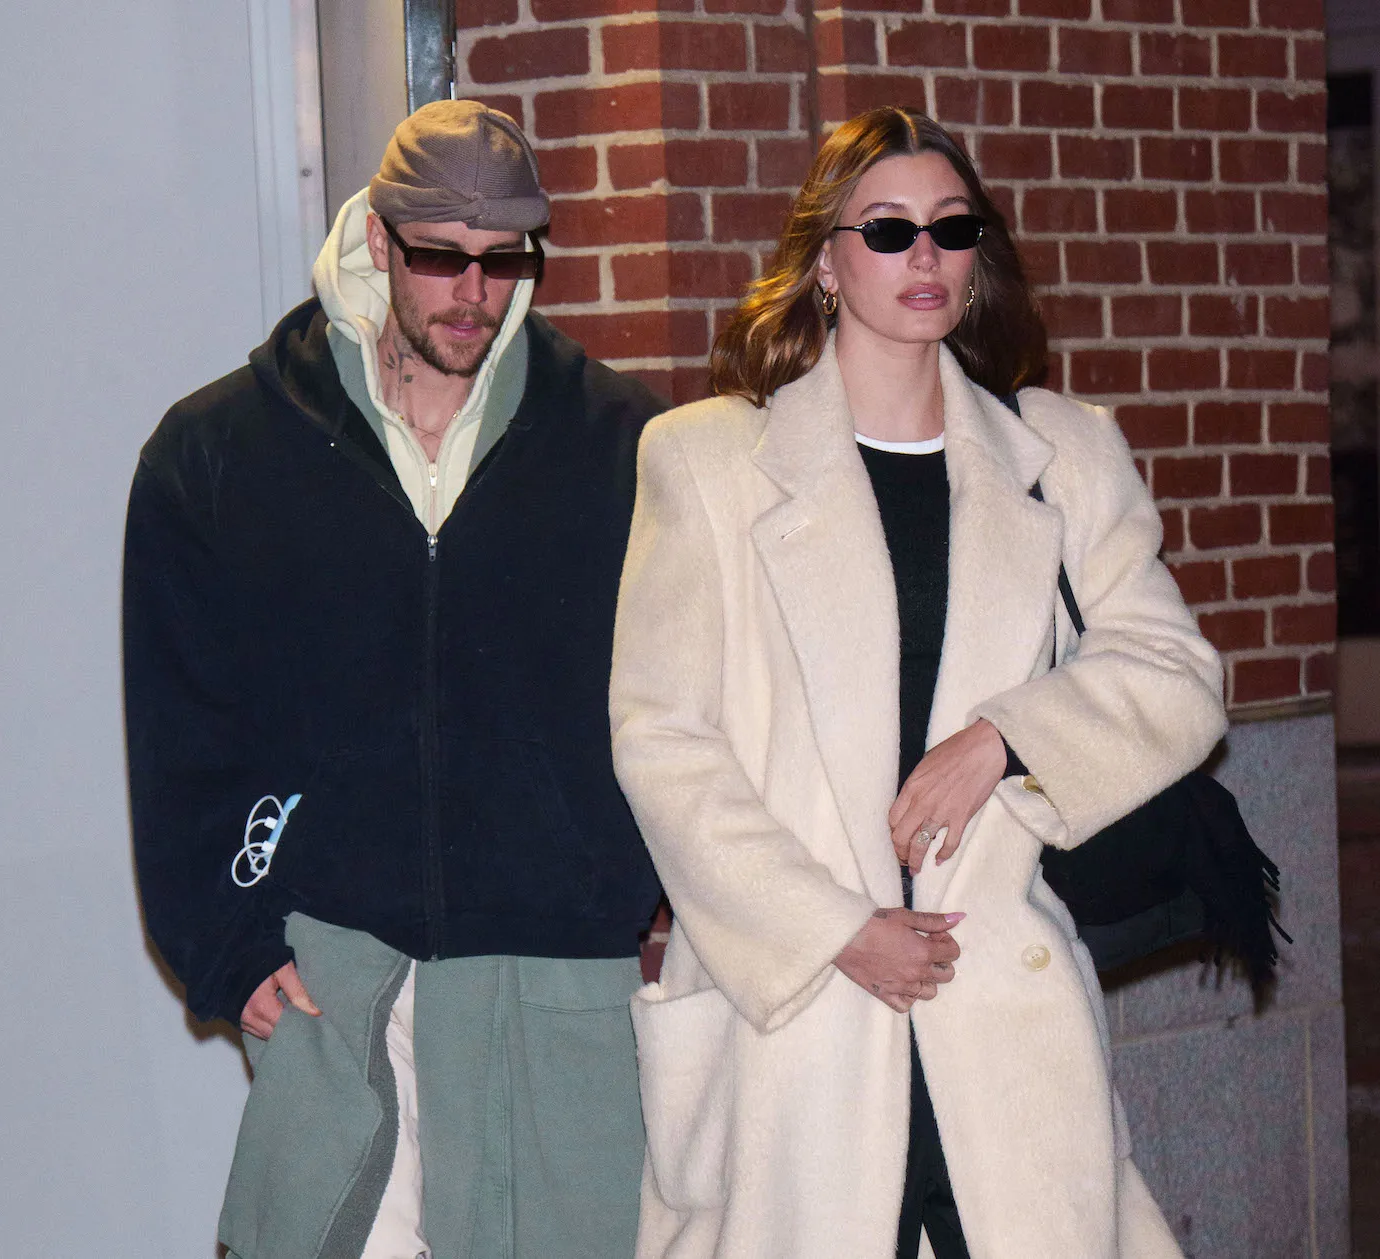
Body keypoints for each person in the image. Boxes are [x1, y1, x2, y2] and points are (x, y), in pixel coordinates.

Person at [609, 106, 1226, 1259]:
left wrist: (1007, 735)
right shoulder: (705, 462)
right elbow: (663, 741)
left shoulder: (1061, 451)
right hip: (796, 1012)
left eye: (953, 227)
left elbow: (1178, 673)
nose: (925, 256)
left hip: (992, 998)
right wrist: (836, 928)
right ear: (827, 262)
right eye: (888, 231)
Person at [124, 100, 665, 1259]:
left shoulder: (620, 444)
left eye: (503, 261)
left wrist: (628, 886)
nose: (473, 293)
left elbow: (684, 700)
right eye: (441, 258)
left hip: (556, 987)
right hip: (337, 979)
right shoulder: (218, 454)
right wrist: (224, 939)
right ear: (378, 238)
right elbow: (181, 729)